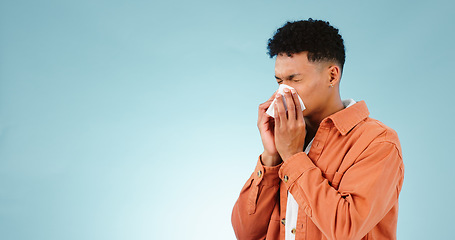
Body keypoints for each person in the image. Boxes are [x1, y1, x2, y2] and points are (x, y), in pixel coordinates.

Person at [231, 19, 405, 240]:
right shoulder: (285, 138)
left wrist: (293, 157)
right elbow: (246, 234)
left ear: (332, 75)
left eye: (294, 79)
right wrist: (272, 156)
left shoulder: (378, 142)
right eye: (279, 81)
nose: (284, 92)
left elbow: (345, 229)